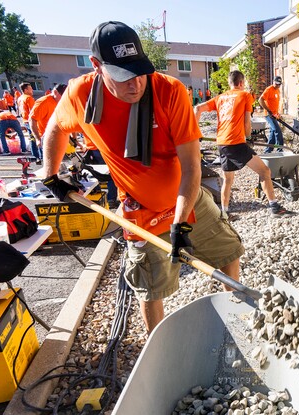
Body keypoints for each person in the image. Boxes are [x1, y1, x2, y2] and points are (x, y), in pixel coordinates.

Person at [41, 21, 245, 334]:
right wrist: (51, 175)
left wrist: (181, 224)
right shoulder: (80, 95)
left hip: (186, 199)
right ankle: (159, 350)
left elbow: (191, 168)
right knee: (150, 289)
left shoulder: (169, 90)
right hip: (141, 211)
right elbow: (55, 128)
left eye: (139, 71)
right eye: (123, 76)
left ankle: (235, 325)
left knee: (229, 251)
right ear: (97, 66)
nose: (135, 84)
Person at [195, 70, 296, 220]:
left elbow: (197, 108)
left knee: (228, 179)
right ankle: (274, 207)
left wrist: (196, 135)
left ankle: (224, 213)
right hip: (235, 142)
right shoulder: (245, 95)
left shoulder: (220, 97)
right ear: (241, 83)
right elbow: (247, 122)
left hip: (221, 143)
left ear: (230, 83)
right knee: (265, 171)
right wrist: (248, 137)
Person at [30, 83, 67, 164]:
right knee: (51, 163)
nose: (64, 99)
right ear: (55, 92)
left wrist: (74, 138)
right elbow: (32, 120)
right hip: (46, 137)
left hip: (60, 135)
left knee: (65, 162)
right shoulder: (43, 102)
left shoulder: (64, 101)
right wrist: (37, 139)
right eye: (62, 96)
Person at [258, 76, 284, 152]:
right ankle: (280, 149)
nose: (277, 85)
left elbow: (275, 103)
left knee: (273, 131)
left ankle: (268, 150)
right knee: (277, 130)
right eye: (276, 84)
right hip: (268, 115)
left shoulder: (278, 91)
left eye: (279, 84)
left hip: (274, 114)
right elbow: (260, 100)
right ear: (273, 82)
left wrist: (277, 113)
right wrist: (268, 110)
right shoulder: (269, 89)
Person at [18, 82, 39, 157]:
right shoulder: (29, 98)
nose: (32, 90)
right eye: (30, 88)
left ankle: (35, 155)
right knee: (38, 137)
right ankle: (41, 155)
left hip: (25, 120)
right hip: (31, 121)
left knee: (32, 138)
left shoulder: (20, 98)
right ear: (25, 90)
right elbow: (33, 111)